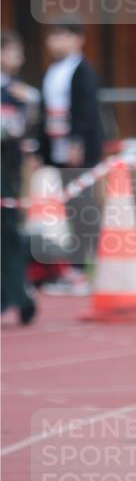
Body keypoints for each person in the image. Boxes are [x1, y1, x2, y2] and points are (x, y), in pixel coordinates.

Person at [36, 20, 104, 295]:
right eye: (52, 36)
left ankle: (80, 270)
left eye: (62, 36)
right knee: (64, 211)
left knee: (81, 209)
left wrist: (77, 142)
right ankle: (63, 268)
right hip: (57, 149)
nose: (56, 42)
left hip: (79, 150)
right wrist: (41, 151)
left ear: (78, 39)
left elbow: (87, 111)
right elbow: (46, 113)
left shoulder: (83, 71)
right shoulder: (51, 72)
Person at [1, 31, 39, 325]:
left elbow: (21, 131)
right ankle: (18, 296)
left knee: (10, 232)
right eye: (14, 52)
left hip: (9, 171)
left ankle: (17, 296)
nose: (20, 59)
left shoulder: (18, 92)